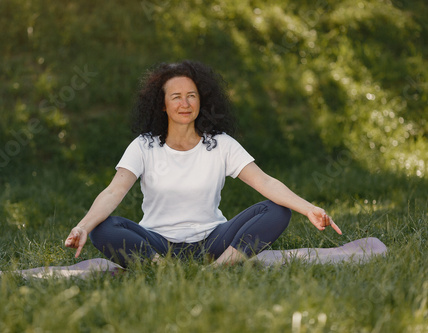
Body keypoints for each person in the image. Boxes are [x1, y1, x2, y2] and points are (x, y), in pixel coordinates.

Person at [65, 60, 342, 268]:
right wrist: (83, 226)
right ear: (162, 105)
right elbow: (114, 192)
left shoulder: (220, 144)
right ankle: (163, 268)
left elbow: (265, 182)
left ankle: (216, 270)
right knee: (104, 228)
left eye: (192, 95)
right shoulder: (144, 145)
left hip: (213, 242)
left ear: (201, 99)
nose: (185, 103)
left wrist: (308, 208)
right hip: (157, 242)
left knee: (278, 210)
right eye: (176, 97)